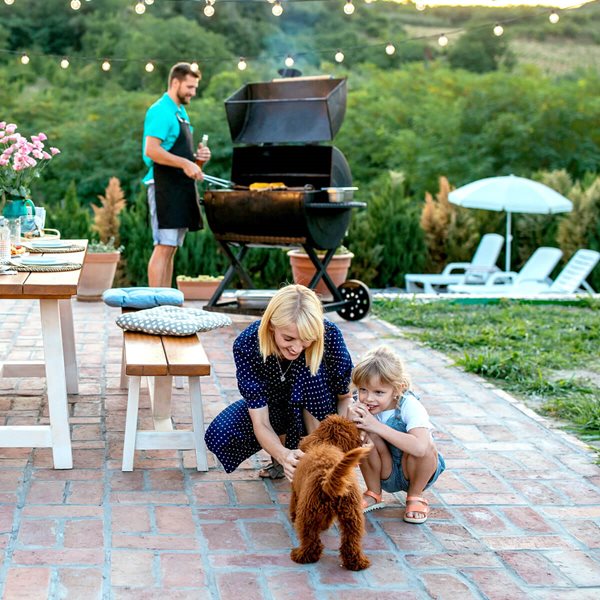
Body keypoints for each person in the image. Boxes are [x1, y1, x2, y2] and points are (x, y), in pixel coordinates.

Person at [205, 284, 354, 481]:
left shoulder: (329, 334)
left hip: (321, 408)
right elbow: (260, 420)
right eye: (289, 338)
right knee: (222, 433)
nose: (296, 348)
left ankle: (319, 459)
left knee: (311, 375)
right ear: (272, 325)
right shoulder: (247, 345)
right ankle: (285, 458)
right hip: (277, 407)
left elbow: (345, 397)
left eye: (306, 339)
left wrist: (336, 442)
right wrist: (283, 455)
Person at [350, 345, 445, 523]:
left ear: (397, 389)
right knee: (364, 438)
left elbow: (420, 448)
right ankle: (373, 493)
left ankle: (415, 496)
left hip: (416, 471)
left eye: (379, 392)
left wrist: (376, 426)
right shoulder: (361, 406)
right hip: (385, 470)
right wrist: (355, 422)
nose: (368, 398)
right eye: (363, 390)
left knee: (426, 445)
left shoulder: (409, 405)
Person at [142, 62, 211, 288]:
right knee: (162, 246)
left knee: (171, 248)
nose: (193, 92)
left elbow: (177, 152)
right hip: (163, 186)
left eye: (195, 88)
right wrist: (184, 162)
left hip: (179, 186)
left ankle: (166, 301)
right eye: (190, 87)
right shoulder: (160, 110)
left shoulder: (180, 112)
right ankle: (154, 307)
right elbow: (151, 150)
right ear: (175, 82)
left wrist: (198, 159)